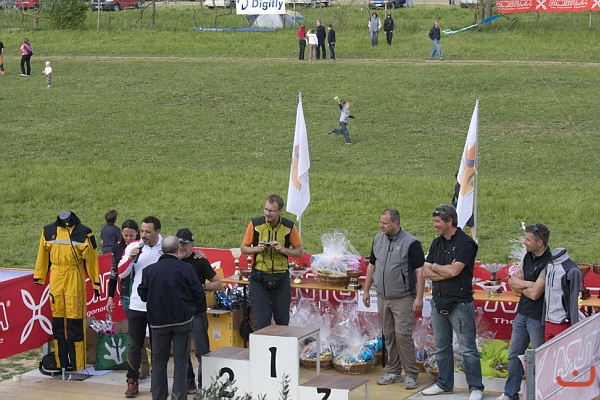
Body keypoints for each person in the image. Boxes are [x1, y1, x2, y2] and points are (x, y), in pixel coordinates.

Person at [421, 204, 483, 400]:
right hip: (438, 302)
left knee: (468, 349)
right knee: (441, 346)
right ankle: (444, 384)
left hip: (460, 304)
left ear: (449, 221)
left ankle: (476, 388)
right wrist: (443, 271)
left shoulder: (466, 243)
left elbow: (454, 271)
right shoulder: (436, 243)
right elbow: (425, 271)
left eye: (437, 221)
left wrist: (436, 268)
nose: (435, 225)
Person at [362, 209, 425, 390]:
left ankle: (411, 374)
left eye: (385, 223)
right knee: (388, 334)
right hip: (382, 296)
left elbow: (420, 272)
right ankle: (393, 371)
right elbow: (372, 266)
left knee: (403, 334)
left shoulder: (411, 243)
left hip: (404, 297)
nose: (381, 226)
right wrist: (366, 291)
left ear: (396, 223)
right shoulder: (378, 239)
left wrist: (419, 297)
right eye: (380, 222)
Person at [138, 235, 203, 400]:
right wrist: (191, 309)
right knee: (181, 361)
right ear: (177, 249)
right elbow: (198, 293)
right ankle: (179, 397)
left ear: (162, 250)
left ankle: (158, 396)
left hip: (158, 322)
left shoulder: (149, 270)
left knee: (159, 361)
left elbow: (142, 294)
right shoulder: (186, 269)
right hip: (183, 321)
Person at [34, 211, 100, 372]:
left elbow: (92, 259)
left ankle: (78, 364)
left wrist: (95, 282)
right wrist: (39, 276)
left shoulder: (84, 232)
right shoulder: (48, 230)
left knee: (75, 322)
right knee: (57, 322)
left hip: (74, 275)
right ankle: (60, 362)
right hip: (56, 276)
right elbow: (42, 254)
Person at [495, 224, 551, 400]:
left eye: (528, 239)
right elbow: (513, 282)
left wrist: (522, 284)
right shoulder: (528, 256)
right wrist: (528, 284)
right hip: (522, 314)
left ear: (539, 242)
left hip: (537, 318)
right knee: (514, 355)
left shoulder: (549, 262)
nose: (524, 242)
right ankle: (510, 394)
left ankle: (541, 393)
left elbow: (535, 294)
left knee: (539, 357)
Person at [240, 194, 304, 330]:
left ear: (280, 211)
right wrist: (257, 248)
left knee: (282, 322)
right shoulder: (255, 224)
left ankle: (281, 344)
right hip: (259, 279)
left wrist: (283, 249)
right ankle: (261, 344)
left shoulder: (289, 226)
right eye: (266, 209)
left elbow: (299, 252)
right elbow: (243, 248)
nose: (267, 213)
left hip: (281, 279)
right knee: (261, 322)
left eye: (271, 211)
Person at [119, 216, 163, 398]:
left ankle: (158, 382)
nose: (144, 235)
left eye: (148, 232)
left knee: (158, 346)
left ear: (157, 232)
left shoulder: (165, 247)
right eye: (142, 231)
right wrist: (130, 258)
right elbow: (121, 273)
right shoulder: (134, 247)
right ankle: (132, 381)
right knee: (135, 345)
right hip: (137, 304)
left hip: (158, 305)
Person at [176, 228, 224, 394]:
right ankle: (189, 383)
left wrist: (201, 287)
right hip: (178, 314)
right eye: (179, 243)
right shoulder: (170, 259)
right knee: (181, 352)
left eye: (185, 244)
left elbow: (219, 283)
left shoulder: (200, 261)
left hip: (197, 313)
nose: (181, 247)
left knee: (201, 351)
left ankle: (204, 386)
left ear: (192, 245)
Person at [106, 219, 151, 380]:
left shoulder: (143, 247)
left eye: (131, 235)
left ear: (137, 233)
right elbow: (114, 273)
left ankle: (151, 363)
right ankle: (141, 365)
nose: (128, 238)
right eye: (125, 235)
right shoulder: (118, 249)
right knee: (135, 333)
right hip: (126, 294)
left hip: (144, 294)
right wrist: (110, 296)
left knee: (151, 332)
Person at [543, 246, 582, 341]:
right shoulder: (549, 265)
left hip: (563, 322)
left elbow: (574, 299)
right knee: (548, 350)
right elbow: (546, 294)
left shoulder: (572, 270)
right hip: (548, 321)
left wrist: (574, 325)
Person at [451, 171, 475, 238]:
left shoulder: (459, 186)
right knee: (470, 222)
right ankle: (473, 236)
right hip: (464, 207)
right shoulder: (460, 187)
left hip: (463, 207)